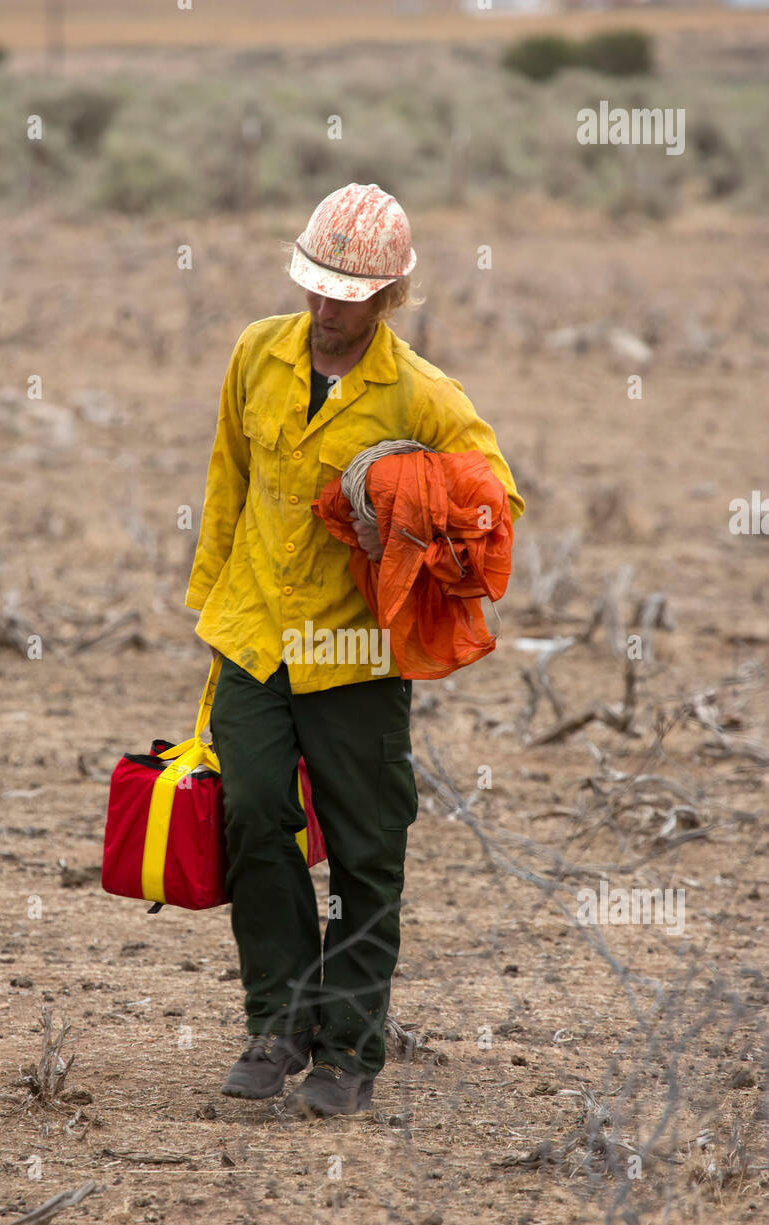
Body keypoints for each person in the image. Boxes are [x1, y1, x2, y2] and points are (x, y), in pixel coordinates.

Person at [185, 182, 524, 1116]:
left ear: (389, 295)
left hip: (355, 658)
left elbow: (498, 506)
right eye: (316, 285)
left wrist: (418, 509)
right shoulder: (257, 352)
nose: (328, 307)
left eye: (349, 292)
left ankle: (348, 1055)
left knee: (370, 855)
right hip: (253, 636)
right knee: (251, 816)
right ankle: (278, 1023)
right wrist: (208, 607)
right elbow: (229, 479)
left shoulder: (422, 393)